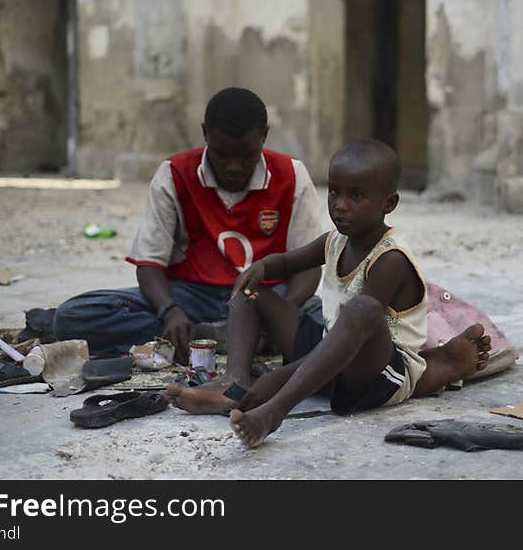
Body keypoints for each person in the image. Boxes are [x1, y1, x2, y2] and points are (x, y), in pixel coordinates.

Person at [166, 138, 491, 448]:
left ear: (388, 203)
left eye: (356, 196)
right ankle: (233, 383)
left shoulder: (390, 259)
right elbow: (286, 263)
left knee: (361, 309)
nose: (340, 206)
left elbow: (357, 334)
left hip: (376, 370)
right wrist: (261, 268)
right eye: (334, 192)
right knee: (250, 292)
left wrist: (276, 380)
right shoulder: (335, 240)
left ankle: (274, 411)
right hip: (330, 345)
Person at [52, 87, 324, 364]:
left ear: (264, 136)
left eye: (246, 156)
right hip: (192, 297)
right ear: (205, 133)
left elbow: (310, 265)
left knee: (328, 317)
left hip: (264, 295)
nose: (234, 167)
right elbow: (149, 265)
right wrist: (170, 312)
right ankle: (219, 337)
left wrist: (282, 314)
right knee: (72, 315)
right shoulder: (174, 173)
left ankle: (207, 340)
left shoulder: (291, 174)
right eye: (222, 155)